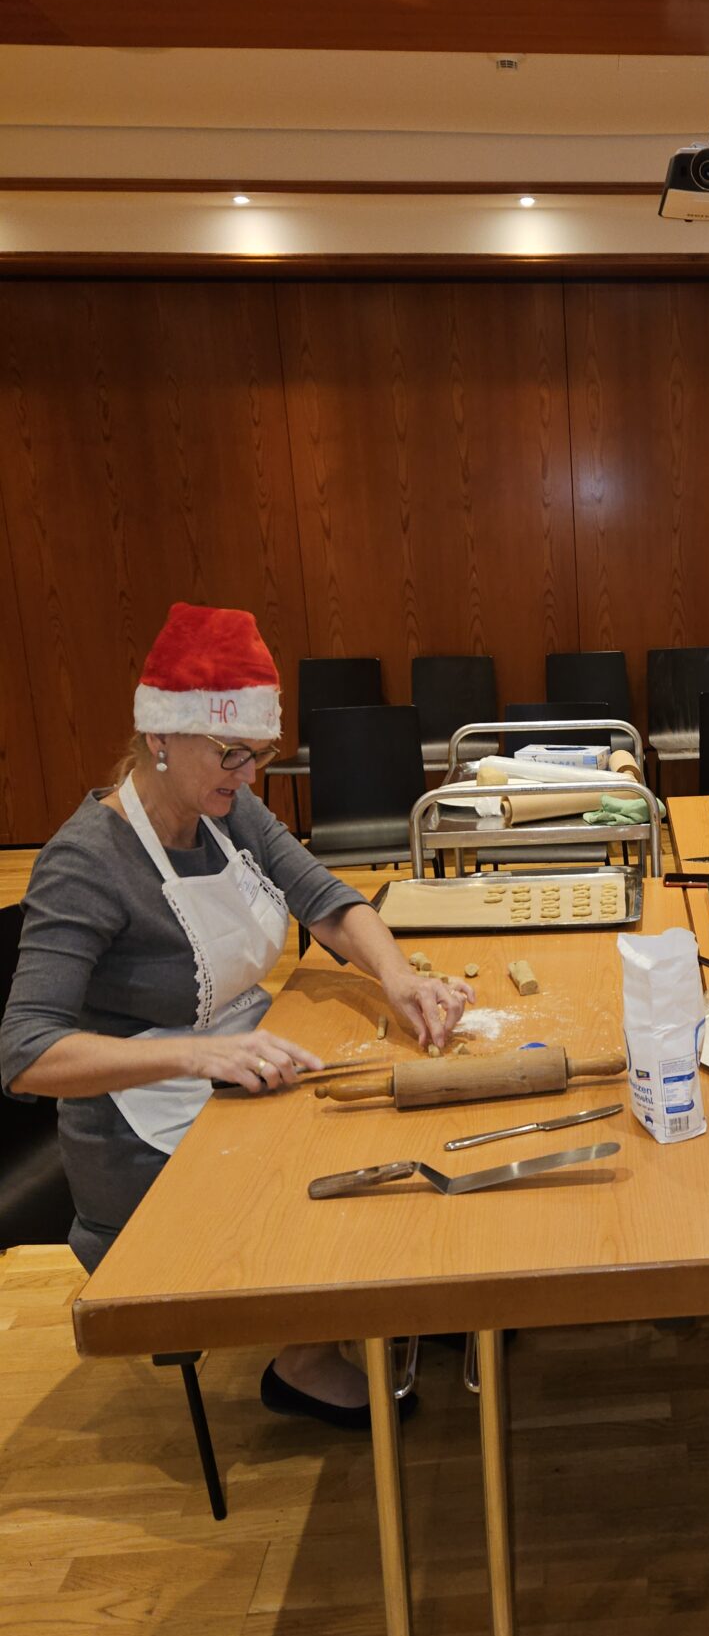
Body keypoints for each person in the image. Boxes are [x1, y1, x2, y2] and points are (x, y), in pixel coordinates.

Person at [0, 603, 473, 1424]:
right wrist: (194, 1056)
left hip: (241, 1063)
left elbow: (326, 900)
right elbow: (26, 1052)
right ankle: (303, 1359)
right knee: (344, 1179)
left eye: (256, 757)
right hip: (141, 1128)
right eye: (229, 754)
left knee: (401, 1119)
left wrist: (397, 976)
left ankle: (395, 1303)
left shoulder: (225, 812)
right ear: (160, 735)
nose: (245, 775)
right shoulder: (84, 862)